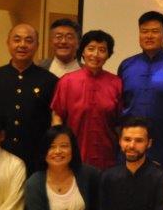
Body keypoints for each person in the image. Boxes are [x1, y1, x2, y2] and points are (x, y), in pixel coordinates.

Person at [0, 23, 58, 172]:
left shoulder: (50, 81)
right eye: (17, 39)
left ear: (37, 45)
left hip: (36, 159)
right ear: (8, 43)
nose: (22, 45)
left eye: (29, 40)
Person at [117, 11, 163, 170]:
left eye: (155, 31)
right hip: (130, 148)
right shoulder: (126, 66)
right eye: (144, 31)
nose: (149, 36)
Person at [50, 30, 122, 170]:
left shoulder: (116, 83)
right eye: (90, 49)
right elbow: (57, 117)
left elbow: (119, 123)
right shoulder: (67, 81)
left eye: (102, 50)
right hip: (74, 157)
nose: (95, 54)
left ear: (108, 55)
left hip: (107, 157)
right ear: (82, 52)